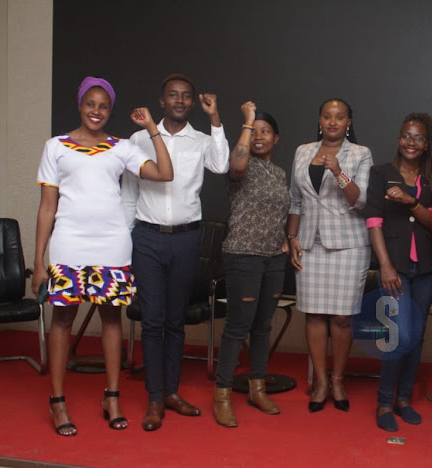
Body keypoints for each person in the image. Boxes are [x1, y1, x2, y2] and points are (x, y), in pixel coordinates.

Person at [32, 76, 174, 436]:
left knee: (113, 320)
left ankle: (112, 397)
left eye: (103, 106)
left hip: (111, 245)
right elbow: (47, 207)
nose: (96, 111)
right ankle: (58, 402)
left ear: (110, 111)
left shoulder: (121, 147)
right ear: (80, 105)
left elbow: (164, 173)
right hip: (68, 244)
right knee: (62, 320)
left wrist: (152, 129)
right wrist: (38, 261)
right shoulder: (56, 146)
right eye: (90, 104)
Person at [121, 73, 230, 431]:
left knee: (175, 321)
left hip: (186, 239)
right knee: (152, 322)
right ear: (161, 100)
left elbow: (222, 165)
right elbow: (129, 195)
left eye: (186, 96)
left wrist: (215, 119)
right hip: (148, 238)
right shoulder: (139, 138)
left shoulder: (201, 140)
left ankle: (172, 392)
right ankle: (154, 399)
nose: (180, 101)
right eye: (173, 95)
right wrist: (125, 243)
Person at [286, 97, 373, 413]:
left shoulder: (360, 154)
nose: (333, 121)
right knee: (314, 314)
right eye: (327, 116)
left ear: (349, 121)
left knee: (340, 316)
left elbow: (360, 201)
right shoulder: (303, 151)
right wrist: (292, 237)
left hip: (348, 245)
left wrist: (339, 172)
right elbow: (296, 201)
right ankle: (320, 381)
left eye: (340, 117)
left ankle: (338, 379)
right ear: (319, 120)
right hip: (310, 242)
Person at [213, 102, 290, 427]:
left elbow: (280, 211)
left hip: (274, 257)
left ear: (276, 138)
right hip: (243, 254)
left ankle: (257, 387)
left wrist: (285, 238)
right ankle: (223, 394)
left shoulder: (280, 172)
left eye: (264, 131)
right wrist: (246, 120)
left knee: (263, 327)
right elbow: (238, 162)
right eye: (253, 130)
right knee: (237, 328)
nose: (258, 136)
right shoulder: (239, 166)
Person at [365, 112, 432, 432]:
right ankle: (384, 403)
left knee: (418, 336)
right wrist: (385, 265)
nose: (411, 142)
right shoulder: (380, 173)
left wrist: (411, 202)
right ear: (399, 139)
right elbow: (373, 223)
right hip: (393, 267)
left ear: (426, 145)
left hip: (423, 269)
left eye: (418, 138)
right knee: (397, 336)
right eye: (407, 136)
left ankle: (404, 399)